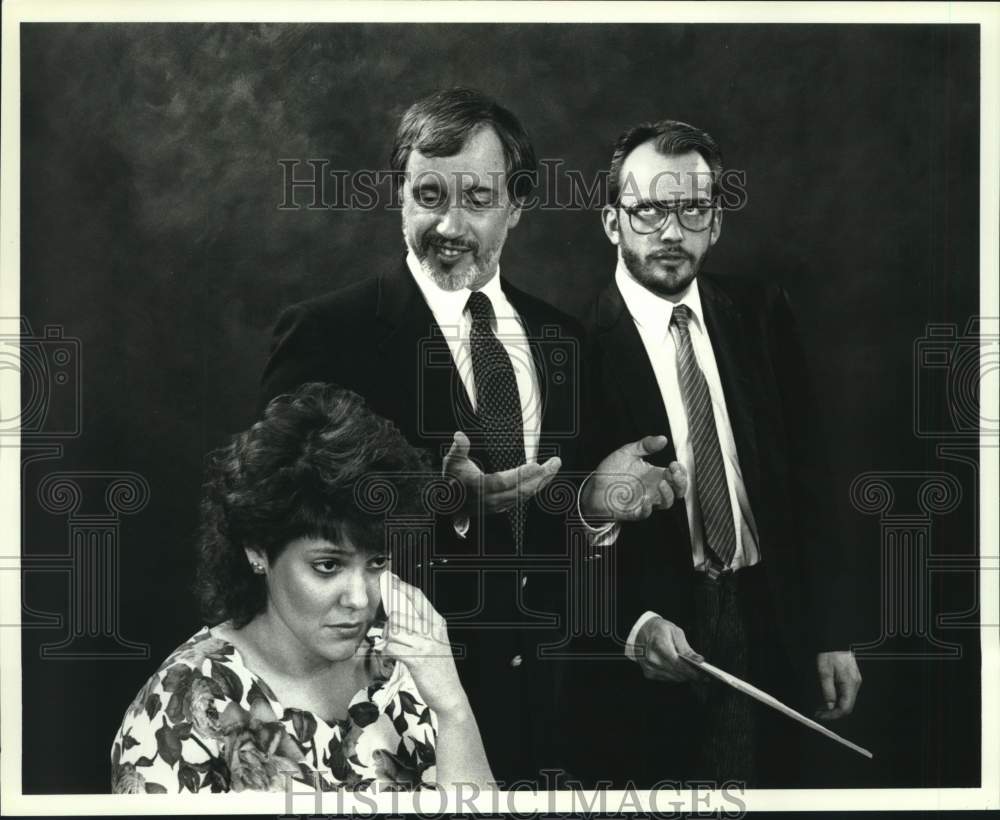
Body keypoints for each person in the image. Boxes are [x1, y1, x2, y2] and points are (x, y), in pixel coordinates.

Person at [259, 88, 683, 785]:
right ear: (399, 195)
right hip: (388, 721)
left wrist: (591, 508)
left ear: (516, 207)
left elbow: (553, 549)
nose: (449, 224)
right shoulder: (329, 334)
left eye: (478, 199)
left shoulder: (563, 340)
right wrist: (439, 501)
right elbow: (278, 515)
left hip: (552, 724)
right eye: (428, 195)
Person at [572, 119, 863, 787]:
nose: (671, 232)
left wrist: (832, 631)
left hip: (774, 618)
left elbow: (809, 481)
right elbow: (548, 535)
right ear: (612, 223)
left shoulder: (760, 313)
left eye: (693, 209)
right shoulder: (568, 346)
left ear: (717, 222)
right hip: (660, 643)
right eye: (647, 210)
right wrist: (629, 623)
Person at [111, 383, 493, 793]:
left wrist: (453, 708)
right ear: (258, 550)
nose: (361, 599)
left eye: (377, 562)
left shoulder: (403, 665)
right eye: (328, 565)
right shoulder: (180, 705)